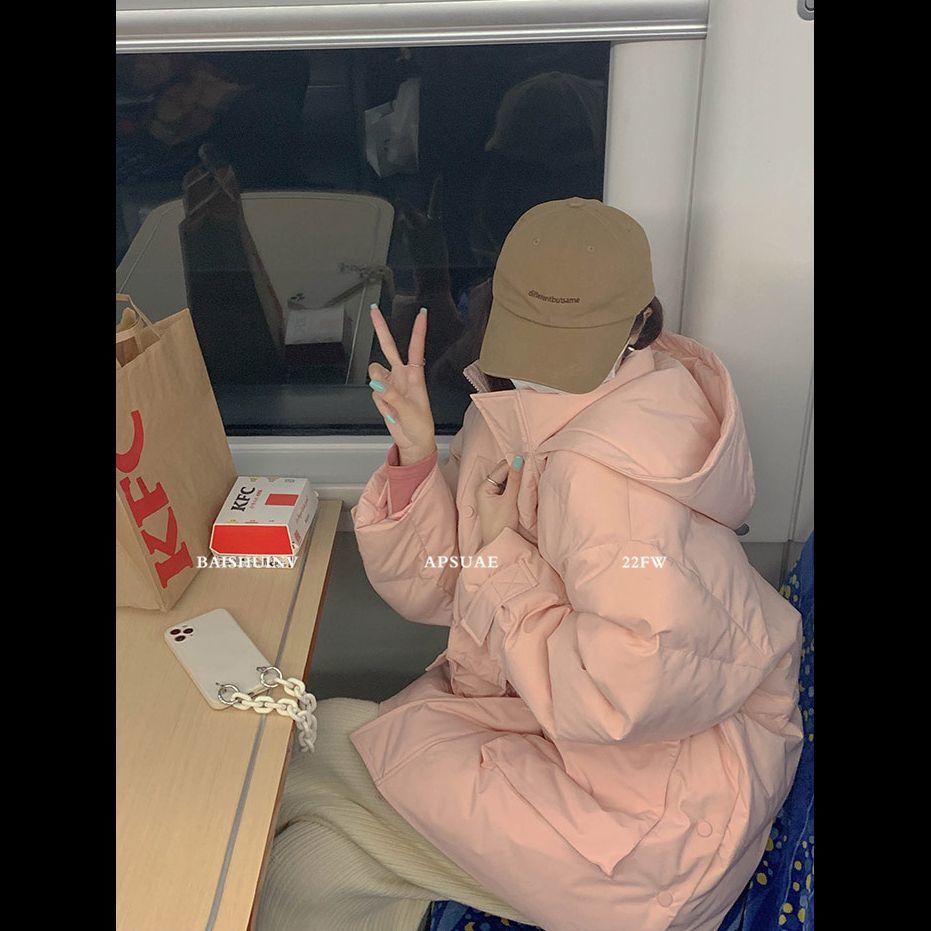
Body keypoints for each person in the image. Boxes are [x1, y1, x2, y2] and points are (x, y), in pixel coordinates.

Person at [255, 198, 803, 931]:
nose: (541, 369)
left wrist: (501, 558)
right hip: (565, 738)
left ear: (639, 325)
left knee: (301, 806)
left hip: (660, 825)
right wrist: (417, 458)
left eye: (566, 344)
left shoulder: (617, 489)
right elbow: (444, 585)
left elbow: (619, 691)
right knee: (306, 815)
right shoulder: (521, 412)